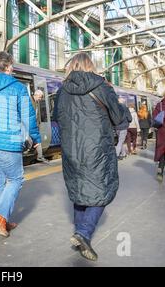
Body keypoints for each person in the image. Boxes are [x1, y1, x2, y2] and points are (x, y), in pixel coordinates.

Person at [55, 53, 124, 261]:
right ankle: (83, 233)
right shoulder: (102, 87)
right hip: (97, 149)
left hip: (71, 149)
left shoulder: (62, 90)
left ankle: (79, 232)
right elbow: (119, 117)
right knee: (101, 189)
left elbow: (57, 117)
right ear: (90, 66)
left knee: (79, 190)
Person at [0, 51, 41, 238]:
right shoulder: (18, 88)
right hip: (7, 143)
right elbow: (28, 118)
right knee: (15, 180)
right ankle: (0, 217)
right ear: (9, 67)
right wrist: (35, 139)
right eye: (12, 65)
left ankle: (1, 218)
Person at [31, 89, 49, 163]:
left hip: (34, 124)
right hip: (30, 124)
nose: (40, 99)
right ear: (36, 95)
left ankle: (40, 156)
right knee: (35, 139)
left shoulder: (35, 102)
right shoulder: (30, 101)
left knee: (37, 139)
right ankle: (40, 156)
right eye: (40, 97)